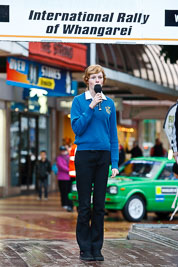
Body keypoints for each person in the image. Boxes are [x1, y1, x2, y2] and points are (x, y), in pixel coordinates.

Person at [71, 64, 119, 261]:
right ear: (87, 80)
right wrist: (90, 107)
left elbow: (113, 135)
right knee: (84, 205)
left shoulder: (109, 104)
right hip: (84, 155)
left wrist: (114, 163)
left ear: (103, 81)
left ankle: (96, 247)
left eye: (100, 77)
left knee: (99, 205)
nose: (97, 80)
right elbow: (77, 128)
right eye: (93, 77)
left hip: (103, 156)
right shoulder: (79, 101)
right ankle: (84, 247)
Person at [56, 146, 73, 212]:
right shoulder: (59, 158)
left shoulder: (69, 157)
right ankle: (64, 203)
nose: (63, 152)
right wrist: (69, 170)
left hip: (69, 177)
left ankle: (68, 204)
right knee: (63, 191)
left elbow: (72, 164)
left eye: (64, 150)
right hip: (62, 178)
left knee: (68, 191)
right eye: (62, 150)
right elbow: (61, 166)